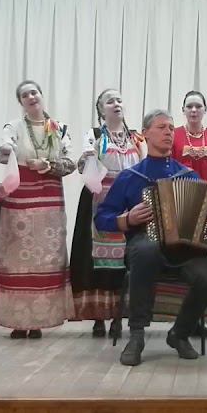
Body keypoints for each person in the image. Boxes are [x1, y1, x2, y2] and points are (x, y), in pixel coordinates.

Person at [95, 109, 207, 367]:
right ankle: (136, 335)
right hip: (142, 245)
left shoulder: (188, 176)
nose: (169, 132)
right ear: (145, 133)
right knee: (146, 250)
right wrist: (127, 219)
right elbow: (102, 218)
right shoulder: (130, 176)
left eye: (171, 128)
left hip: (182, 251)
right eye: (161, 127)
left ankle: (179, 333)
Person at [0, 81, 77, 339]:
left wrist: (48, 165)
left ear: (41, 95)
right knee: (17, 258)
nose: (30, 96)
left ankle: (41, 319)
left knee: (47, 258)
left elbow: (71, 163)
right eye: (24, 95)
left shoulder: (60, 128)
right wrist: (6, 149)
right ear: (21, 102)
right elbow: (1, 153)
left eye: (34, 92)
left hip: (50, 203)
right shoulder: (13, 127)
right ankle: (18, 320)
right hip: (19, 202)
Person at [154, 90, 207, 334]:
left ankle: (199, 320)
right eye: (189, 106)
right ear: (183, 110)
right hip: (180, 206)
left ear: (205, 110)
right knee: (184, 262)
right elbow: (165, 166)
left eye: (198, 106)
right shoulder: (174, 135)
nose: (194, 110)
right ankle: (182, 321)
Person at [69, 89, 141, 339]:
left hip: (128, 201)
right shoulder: (95, 136)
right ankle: (99, 317)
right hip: (99, 201)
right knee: (96, 259)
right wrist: (87, 157)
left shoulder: (136, 137)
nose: (116, 103)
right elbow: (81, 167)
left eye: (119, 100)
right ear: (101, 109)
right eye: (110, 101)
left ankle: (120, 316)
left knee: (125, 259)